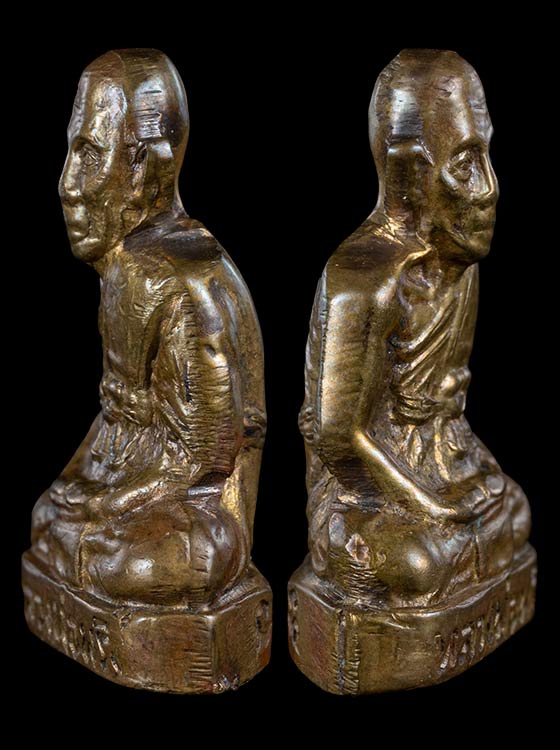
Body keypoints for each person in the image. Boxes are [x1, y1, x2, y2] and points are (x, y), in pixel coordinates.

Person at [31, 49, 266, 606]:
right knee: (50, 519)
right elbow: (118, 420)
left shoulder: (183, 282)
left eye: (89, 157)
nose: (67, 185)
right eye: (72, 153)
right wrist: (83, 493)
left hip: (198, 509)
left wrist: (107, 505)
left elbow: (209, 460)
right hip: (138, 486)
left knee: (140, 561)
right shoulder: (125, 269)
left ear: (141, 169)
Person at [299, 49, 531, 606]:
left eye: (487, 156)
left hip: (441, 458)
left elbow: (447, 415)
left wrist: (465, 486)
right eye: (465, 164)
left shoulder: (458, 267)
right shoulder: (362, 281)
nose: (490, 188)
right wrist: (431, 508)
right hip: (364, 491)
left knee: (515, 512)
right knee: (416, 565)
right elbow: (339, 440)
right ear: (411, 173)